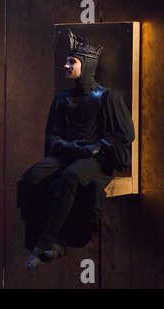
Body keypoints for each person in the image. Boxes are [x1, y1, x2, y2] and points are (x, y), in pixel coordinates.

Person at [17, 31, 135, 270]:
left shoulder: (106, 96)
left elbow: (126, 134)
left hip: (96, 158)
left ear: (88, 64)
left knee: (71, 176)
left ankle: (48, 241)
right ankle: (41, 241)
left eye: (72, 61)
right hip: (67, 153)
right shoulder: (61, 98)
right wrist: (68, 146)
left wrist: (96, 147)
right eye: (67, 60)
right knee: (30, 178)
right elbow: (51, 136)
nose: (66, 65)